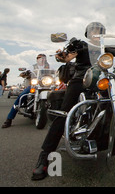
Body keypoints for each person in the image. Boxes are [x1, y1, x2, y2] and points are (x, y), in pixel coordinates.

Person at [31, 22, 106, 181]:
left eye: (100, 31)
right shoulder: (81, 45)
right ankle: (44, 156)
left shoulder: (105, 48)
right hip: (81, 79)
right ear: (88, 33)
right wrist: (63, 56)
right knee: (64, 112)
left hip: (101, 81)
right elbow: (67, 57)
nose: (97, 33)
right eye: (94, 31)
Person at [2, 54, 50, 128]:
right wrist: (25, 73)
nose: (41, 59)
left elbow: (55, 74)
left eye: (43, 58)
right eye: (39, 58)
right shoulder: (33, 66)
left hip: (47, 86)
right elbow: (25, 72)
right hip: (34, 85)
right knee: (21, 97)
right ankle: (9, 119)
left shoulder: (49, 67)